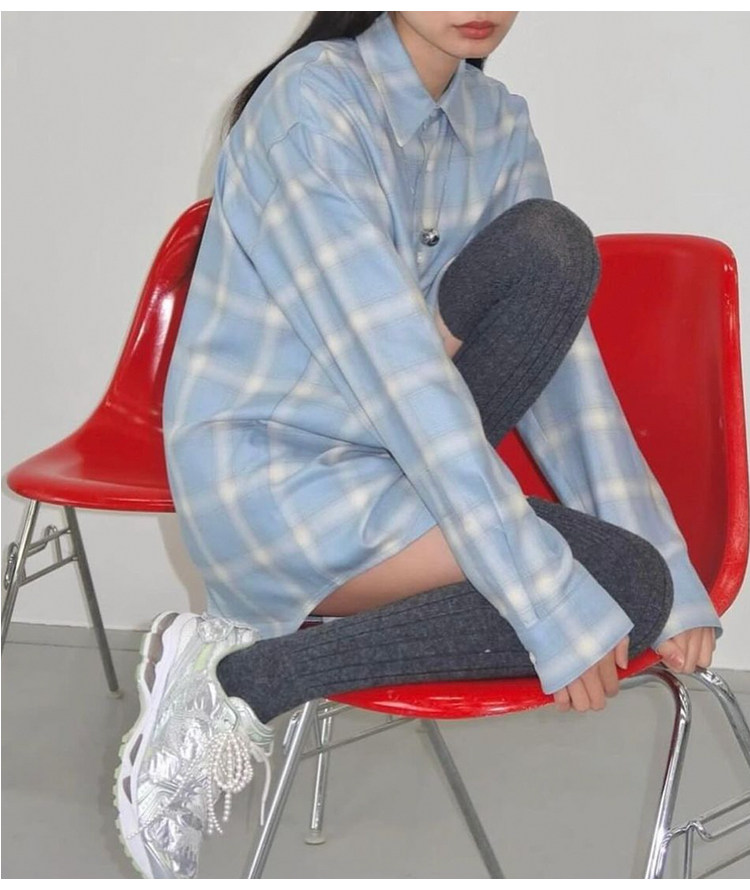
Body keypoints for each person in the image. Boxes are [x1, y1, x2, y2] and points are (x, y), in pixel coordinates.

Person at [114, 11, 723, 879]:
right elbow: (400, 371)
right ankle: (243, 684)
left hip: (395, 463)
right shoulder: (310, 102)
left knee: (551, 249)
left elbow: (566, 379)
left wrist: (671, 565)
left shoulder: (499, 122)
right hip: (274, 480)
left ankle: (254, 667)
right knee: (622, 586)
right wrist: (551, 598)